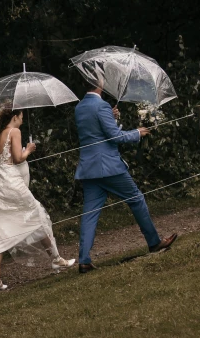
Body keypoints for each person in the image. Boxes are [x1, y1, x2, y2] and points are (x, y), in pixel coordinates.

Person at [0, 106, 75, 291]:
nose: (22, 120)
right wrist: (28, 149)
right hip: (11, 183)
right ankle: (56, 260)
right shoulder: (14, 131)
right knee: (36, 215)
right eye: (21, 116)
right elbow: (19, 158)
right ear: (15, 116)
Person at [74, 79, 177, 273]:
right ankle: (154, 242)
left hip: (88, 169)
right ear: (99, 85)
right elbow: (115, 137)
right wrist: (137, 133)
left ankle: (84, 260)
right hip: (109, 168)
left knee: (89, 214)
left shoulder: (79, 107)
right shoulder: (101, 105)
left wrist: (110, 117)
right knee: (136, 199)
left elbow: (97, 133)